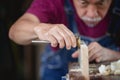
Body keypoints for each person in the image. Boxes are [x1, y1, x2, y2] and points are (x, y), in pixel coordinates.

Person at [9, 0, 120, 80]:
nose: (91, 14)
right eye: (83, 3)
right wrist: (39, 28)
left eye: (101, 3)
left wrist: (116, 55)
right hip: (57, 72)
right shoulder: (53, 2)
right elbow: (14, 33)